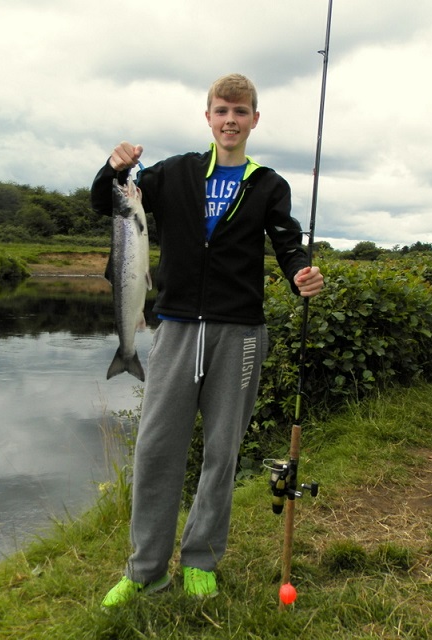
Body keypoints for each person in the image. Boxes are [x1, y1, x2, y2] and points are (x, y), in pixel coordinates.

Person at [91, 73, 324, 607]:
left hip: (240, 332)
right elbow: (106, 203)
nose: (230, 120)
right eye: (221, 110)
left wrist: (302, 273)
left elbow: (289, 247)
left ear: (254, 120)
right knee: (155, 450)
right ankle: (146, 568)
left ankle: (200, 560)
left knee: (222, 451)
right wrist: (114, 167)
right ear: (208, 116)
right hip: (173, 328)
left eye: (240, 112)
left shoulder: (269, 183)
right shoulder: (174, 174)